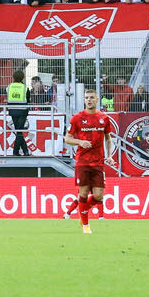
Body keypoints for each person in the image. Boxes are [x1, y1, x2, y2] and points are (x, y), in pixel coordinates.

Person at [62, 89, 113, 234]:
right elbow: (67, 138)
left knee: (98, 196)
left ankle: (82, 212)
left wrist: (109, 155)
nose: (89, 100)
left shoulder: (104, 118)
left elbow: (108, 138)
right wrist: (80, 142)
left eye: (91, 97)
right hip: (83, 162)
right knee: (83, 193)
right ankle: (85, 225)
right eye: (86, 98)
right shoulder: (77, 118)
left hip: (98, 162)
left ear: (97, 99)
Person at [6, 68, 32, 155]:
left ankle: (21, 151)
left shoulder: (9, 87)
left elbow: (7, 96)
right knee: (19, 131)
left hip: (12, 110)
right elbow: (28, 99)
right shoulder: (25, 87)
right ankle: (21, 151)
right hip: (22, 111)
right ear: (22, 77)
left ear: (13, 77)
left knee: (18, 131)